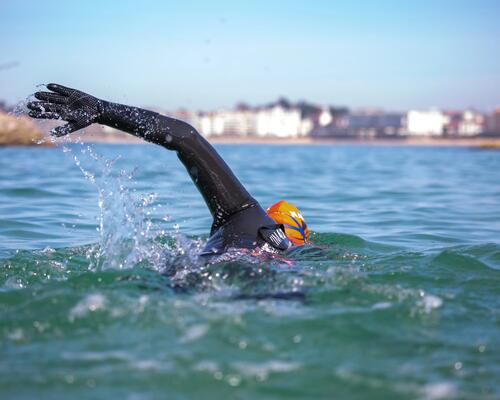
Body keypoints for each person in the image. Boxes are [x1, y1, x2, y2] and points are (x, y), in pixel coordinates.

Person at [27, 84, 309, 257]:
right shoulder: (293, 252)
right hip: (261, 286)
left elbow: (185, 137)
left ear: (273, 219)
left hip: (201, 277)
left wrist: (101, 110)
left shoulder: (241, 213)